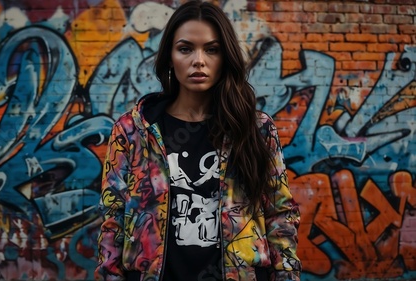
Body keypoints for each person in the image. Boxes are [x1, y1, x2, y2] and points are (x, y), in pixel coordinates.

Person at [94, 1, 301, 280]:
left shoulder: (255, 129)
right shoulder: (133, 131)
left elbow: (280, 214)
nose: (199, 60)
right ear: (169, 56)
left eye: (212, 50)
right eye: (185, 49)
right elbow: (113, 220)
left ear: (225, 57)